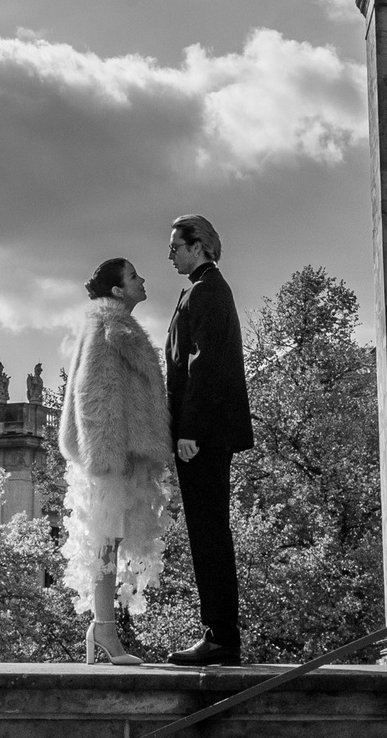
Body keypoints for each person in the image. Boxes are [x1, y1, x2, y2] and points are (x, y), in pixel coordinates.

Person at [56, 256, 172, 666]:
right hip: (110, 454)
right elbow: (94, 394)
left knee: (111, 539)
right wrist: (106, 456)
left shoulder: (111, 325)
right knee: (105, 539)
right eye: (134, 276)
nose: (143, 281)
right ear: (119, 290)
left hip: (117, 452)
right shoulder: (110, 326)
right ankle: (104, 628)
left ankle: (102, 627)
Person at [163, 213, 252, 666]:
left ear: (198, 246)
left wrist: (190, 431)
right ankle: (218, 634)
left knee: (210, 533)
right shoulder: (199, 288)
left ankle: (220, 638)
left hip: (204, 434)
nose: (170, 254)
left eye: (176, 246)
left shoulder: (209, 290)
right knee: (206, 533)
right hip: (202, 432)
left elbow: (206, 364)